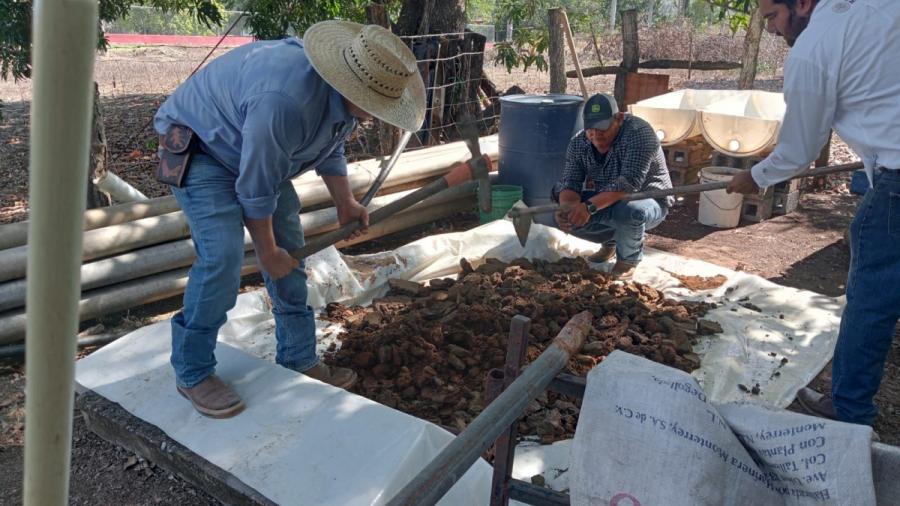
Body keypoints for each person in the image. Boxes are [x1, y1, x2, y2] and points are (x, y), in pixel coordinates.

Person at [153, 21, 426, 419]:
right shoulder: (285, 101)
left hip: (252, 148)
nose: (379, 117)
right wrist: (266, 251)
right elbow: (255, 185)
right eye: (376, 108)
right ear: (352, 84)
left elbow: (328, 145)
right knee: (223, 258)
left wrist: (344, 202)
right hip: (203, 149)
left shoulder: (343, 97)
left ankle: (298, 357)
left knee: (293, 253)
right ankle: (193, 371)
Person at [726, 0, 900, 427]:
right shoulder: (879, 9)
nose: (771, 30)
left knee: (870, 302)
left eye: (772, 17)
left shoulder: (812, 50)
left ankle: (849, 410)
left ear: (802, 3)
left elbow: (798, 152)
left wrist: (755, 177)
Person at [553, 93, 673, 279]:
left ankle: (628, 260)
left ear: (619, 118)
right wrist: (567, 207)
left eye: (603, 128)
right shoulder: (579, 142)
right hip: (606, 199)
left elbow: (628, 183)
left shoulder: (639, 134)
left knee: (631, 210)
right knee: (562, 203)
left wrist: (589, 207)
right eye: (591, 129)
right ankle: (610, 244)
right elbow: (570, 181)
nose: (597, 135)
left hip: (648, 200)